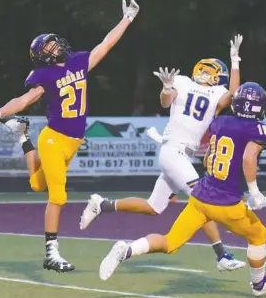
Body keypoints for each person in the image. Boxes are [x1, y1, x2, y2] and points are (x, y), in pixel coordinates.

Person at [0, 0, 140, 273]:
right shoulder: (43, 75)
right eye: (50, 45)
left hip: (72, 142)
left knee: (36, 185)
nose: (57, 45)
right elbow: (25, 99)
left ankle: (22, 136)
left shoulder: (79, 61)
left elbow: (106, 44)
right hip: (54, 139)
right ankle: (51, 253)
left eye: (54, 42)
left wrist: (127, 18)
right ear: (43, 55)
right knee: (58, 197)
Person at [98, 82, 266, 297]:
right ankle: (258, 284)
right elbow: (248, 157)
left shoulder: (221, 122)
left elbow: (208, 159)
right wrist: (254, 192)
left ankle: (127, 250)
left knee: (170, 242)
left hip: (200, 198)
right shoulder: (259, 130)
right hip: (226, 203)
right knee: (259, 235)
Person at [80, 35, 246, 271]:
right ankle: (221, 255)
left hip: (180, 155)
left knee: (154, 206)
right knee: (204, 200)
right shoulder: (182, 82)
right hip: (173, 151)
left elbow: (234, 94)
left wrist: (235, 60)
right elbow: (165, 102)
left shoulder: (217, 92)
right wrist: (167, 87)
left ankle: (102, 205)